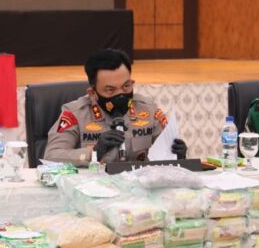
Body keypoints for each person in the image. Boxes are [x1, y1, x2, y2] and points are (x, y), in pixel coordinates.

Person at [44, 49, 187, 167]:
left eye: (126, 86)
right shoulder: (75, 114)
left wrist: (177, 155)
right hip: (93, 187)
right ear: (93, 93)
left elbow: (165, 156)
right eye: (110, 90)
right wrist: (94, 152)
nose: (121, 95)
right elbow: (51, 157)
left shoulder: (148, 109)